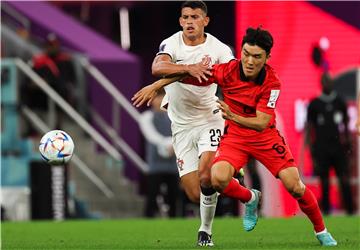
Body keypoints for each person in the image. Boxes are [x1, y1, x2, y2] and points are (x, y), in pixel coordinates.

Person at [133, 27, 337, 247]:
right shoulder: (228, 70)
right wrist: (156, 85)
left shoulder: (272, 82)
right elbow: (187, 74)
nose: (249, 61)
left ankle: (322, 231)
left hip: (265, 138)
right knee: (216, 179)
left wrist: (231, 115)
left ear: (267, 58)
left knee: (295, 186)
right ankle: (250, 198)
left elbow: (260, 123)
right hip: (235, 139)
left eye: (256, 57)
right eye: (246, 54)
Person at [133, 1, 260, 247]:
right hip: (181, 126)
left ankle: (205, 231)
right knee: (194, 192)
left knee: (206, 175)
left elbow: (233, 77)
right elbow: (157, 66)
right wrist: (189, 68)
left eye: (195, 17)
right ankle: (249, 195)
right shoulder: (172, 43)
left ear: (205, 21)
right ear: (180, 21)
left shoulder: (219, 49)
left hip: (209, 118)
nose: (189, 21)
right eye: (185, 17)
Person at [305, 73, 354, 215]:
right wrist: (311, 149)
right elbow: (309, 128)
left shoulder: (340, 102)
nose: (328, 84)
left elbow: (345, 126)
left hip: (338, 148)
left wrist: (348, 144)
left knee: (344, 179)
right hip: (321, 149)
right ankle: (326, 212)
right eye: (325, 81)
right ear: (322, 83)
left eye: (330, 81)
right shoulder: (314, 104)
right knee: (324, 181)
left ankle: (350, 211)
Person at [139, 89, 179, 218]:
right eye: (157, 98)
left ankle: (174, 224)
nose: (160, 101)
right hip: (155, 166)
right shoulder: (146, 117)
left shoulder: (175, 117)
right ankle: (148, 221)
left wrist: (173, 145)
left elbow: (181, 133)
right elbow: (151, 135)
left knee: (173, 197)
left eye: (163, 98)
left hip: (173, 166)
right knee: (152, 195)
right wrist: (168, 144)